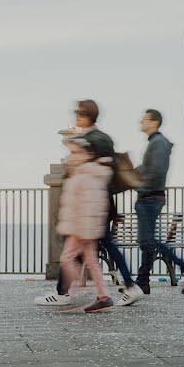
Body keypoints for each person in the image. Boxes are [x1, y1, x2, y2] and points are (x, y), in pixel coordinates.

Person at [34, 101, 138, 306]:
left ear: (86, 116)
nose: (76, 116)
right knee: (96, 250)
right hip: (99, 204)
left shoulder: (90, 140)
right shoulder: (102, 138)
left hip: (90, 206)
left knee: (75, 250)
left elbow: (91, 174)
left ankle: (63, 292)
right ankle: (119, 289)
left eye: (79, 113)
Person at [128, 109, 184, 299]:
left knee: (148, 240)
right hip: (150, 197)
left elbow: (156, 172)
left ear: (154, 122)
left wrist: (139, 185)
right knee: (147, 241)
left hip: (150, 197)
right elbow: (149, 168)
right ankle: (143, 282)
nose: (141, 121)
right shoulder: (156, 143)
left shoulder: (158, 143)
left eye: (144, 119)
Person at [56, 137, 115, 312]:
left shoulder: (85, 175)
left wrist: (82, 229)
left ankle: (71, 290)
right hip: (86, 227)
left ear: (88, 154)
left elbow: (90, 204)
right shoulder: (88, 173)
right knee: (92, 262)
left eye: (76, 152)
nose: (72, 156)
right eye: (71, 152)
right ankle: (104, 297)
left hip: (80, 227)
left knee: (66, 259)